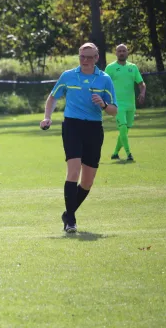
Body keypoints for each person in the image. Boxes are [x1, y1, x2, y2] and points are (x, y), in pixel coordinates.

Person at [40, 43, 117, 233]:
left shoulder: (105, 79)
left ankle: (68, 213)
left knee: (87, 181)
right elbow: (52, 98)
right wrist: (47, 117)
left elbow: (114, 111)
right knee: (73, 171)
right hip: (72, 125)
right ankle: (71, 221)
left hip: (93, 128)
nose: (85, 61)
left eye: (89, 57)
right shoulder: (68, 76)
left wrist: (103, 104)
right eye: (82, 56)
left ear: (97, 58)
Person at [105, 44, 146, 161]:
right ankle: (129, 154)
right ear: (116, 53)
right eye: (119, 51)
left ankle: (115, 153)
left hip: (131, 104)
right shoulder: (110, 68)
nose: (121, 53)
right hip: (117, 104)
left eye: (124, 51)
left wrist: (142, 93)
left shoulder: (133, 67)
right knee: (122, 128)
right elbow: (104, 83)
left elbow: (141, 83)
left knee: (125, 130)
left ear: (127, 52)